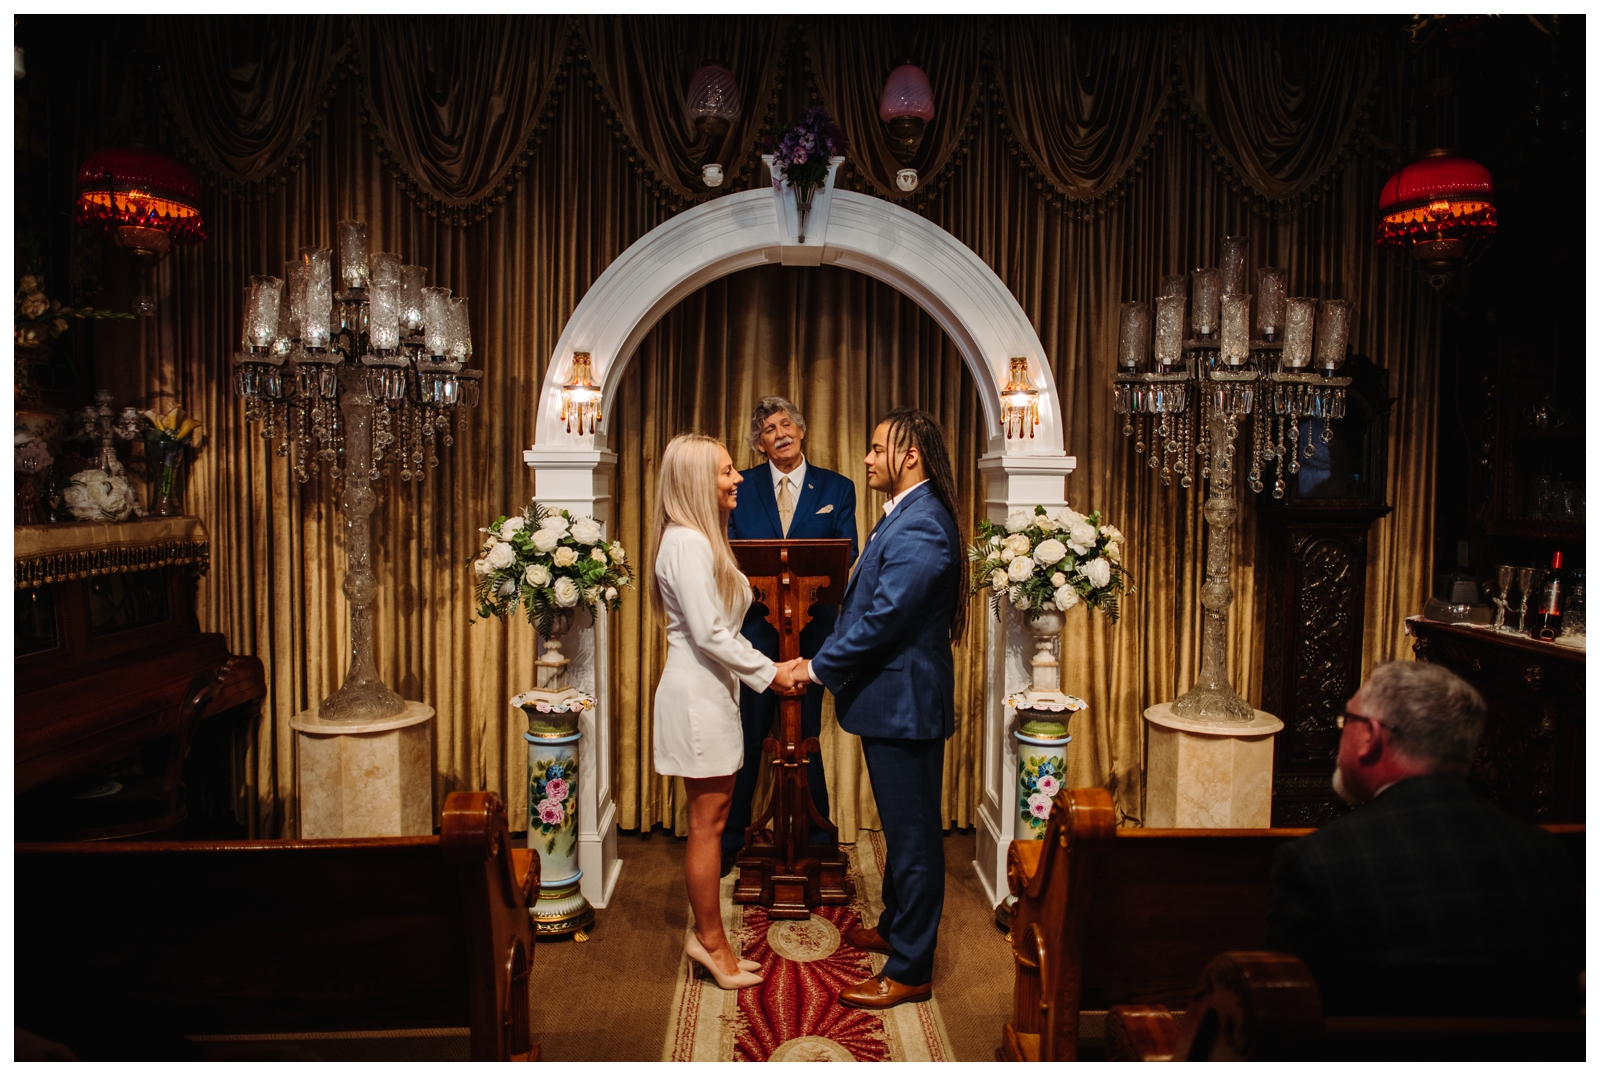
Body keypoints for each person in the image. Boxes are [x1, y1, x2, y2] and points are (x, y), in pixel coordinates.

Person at [1262, 661, 1582, 1016]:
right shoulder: (1548, 855)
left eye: (1346, 721)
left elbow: (1281, 1018)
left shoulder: (1317, 863)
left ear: (1370, 736)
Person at [780, 407, 964, 1011]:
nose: (866, 458)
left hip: (904, 701)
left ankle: (911, 968)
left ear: (909, 455)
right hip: (894, 698)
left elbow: (885, 620)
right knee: (900, 827)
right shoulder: (909, 514)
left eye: (876, 447)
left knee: (912, 839)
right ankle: (894, 926)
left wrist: (818, 666)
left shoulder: (922, 523)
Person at [651, 432, 799, 991]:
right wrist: (772, 672)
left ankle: (709, 938)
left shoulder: (694, 539)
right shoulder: (687, 543)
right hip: (698, 699)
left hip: (711, 695)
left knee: (709, 822)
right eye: (726, 471)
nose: (738, 478)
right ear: (695, 481)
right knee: (707, 826)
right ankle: (710, 943)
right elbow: (712, 633)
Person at [724, 397, 859, 871]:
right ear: (759, 444)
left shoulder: (838, 488)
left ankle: (816, 840)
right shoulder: (740, 484)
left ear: (801, 431)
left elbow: (846, 557)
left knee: (802, 737)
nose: (778, 433)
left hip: (812, 639)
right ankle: (731, 842)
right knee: (748, 735)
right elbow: (728, 555)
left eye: (785, 425)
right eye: (767, 430)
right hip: (755, 638)